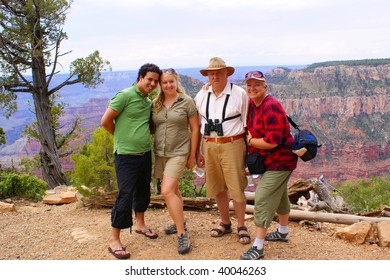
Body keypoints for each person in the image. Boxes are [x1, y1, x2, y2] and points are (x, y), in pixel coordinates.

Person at [101, 63, 162, 259]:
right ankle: (114, 239)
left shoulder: (147, 102)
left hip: (144, 154)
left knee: (143, 190)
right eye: (149, 79)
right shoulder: (125, 95)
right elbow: (105, 121)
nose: (152, 83)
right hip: (125, 156)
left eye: (155, 81)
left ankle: (140, 224)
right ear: (140, 78)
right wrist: (121, 139)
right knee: (125, 195)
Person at [239, 71, 298, 260]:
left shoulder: (270, 106)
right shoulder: (253, 103)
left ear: (266, 87)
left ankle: (258, 247)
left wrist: (250, 141)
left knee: (263, 198)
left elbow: (272, 142)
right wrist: (208, 87)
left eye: (257, 84)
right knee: (279, 195)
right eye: (249, 84)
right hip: (270, 161)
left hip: (281, 161)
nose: (252, 88)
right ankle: (282, 232)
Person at [194, 57, 251, 245]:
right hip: (209, 144)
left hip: (233, 144)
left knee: (236, 186)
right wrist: (197, 152)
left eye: (219, 72)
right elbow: (196, 124)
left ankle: (241, 225)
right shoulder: (201, 95)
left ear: (227, 73)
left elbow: (247, 123)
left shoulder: (239, 94)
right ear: (207, 75)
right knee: (217, 186)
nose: (215, 76)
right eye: (211, 73)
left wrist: (249, 153)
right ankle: (225, 222)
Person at [151, 68, 199, 254]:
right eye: (165, 82)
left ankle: (182, 234)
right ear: (160, 85)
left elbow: (195, 129)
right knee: (175, 189)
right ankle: (181, 220)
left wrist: (192, 155)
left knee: (166, 190)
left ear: (176, 81)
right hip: (161, 153)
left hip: (179, 152)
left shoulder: (186, 101)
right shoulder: (156, 103)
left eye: (171, 81)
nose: (169, 85)